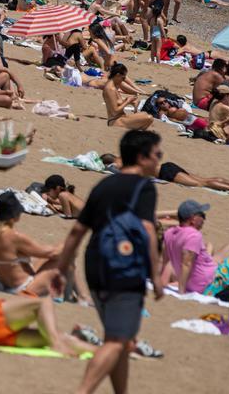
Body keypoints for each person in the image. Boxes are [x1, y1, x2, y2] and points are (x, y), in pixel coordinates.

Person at [51, 129, 165, 394]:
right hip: (125, 268)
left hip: (95, 267)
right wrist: (156, 276)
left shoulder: (104, 185)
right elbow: (148, 229)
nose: (159, 160)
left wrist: (60, 270)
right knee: (116, 341)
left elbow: (77, 232)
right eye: (156, 155)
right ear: (141, 157)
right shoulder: (144, 187)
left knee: (121, 339)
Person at [162, 200, 229, 296]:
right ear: (193, 218)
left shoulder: (169, 233)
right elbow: (186, 264)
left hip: (197, 282)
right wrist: (181, 291)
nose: (204, 220)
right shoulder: (193, 235)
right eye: (202, 216)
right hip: (209, 286)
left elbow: (165, 260)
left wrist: (159, 282)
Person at [103, 63, 153, 129]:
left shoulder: (114, 86)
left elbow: (117, 102)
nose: (123, 80)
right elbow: (114, 111)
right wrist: (127, 101)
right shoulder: (110, 89)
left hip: (122, 117)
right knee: (148, 118)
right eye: (123, 78)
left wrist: (131, 101)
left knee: (146, 115)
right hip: (115, 121)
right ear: (117, 75)